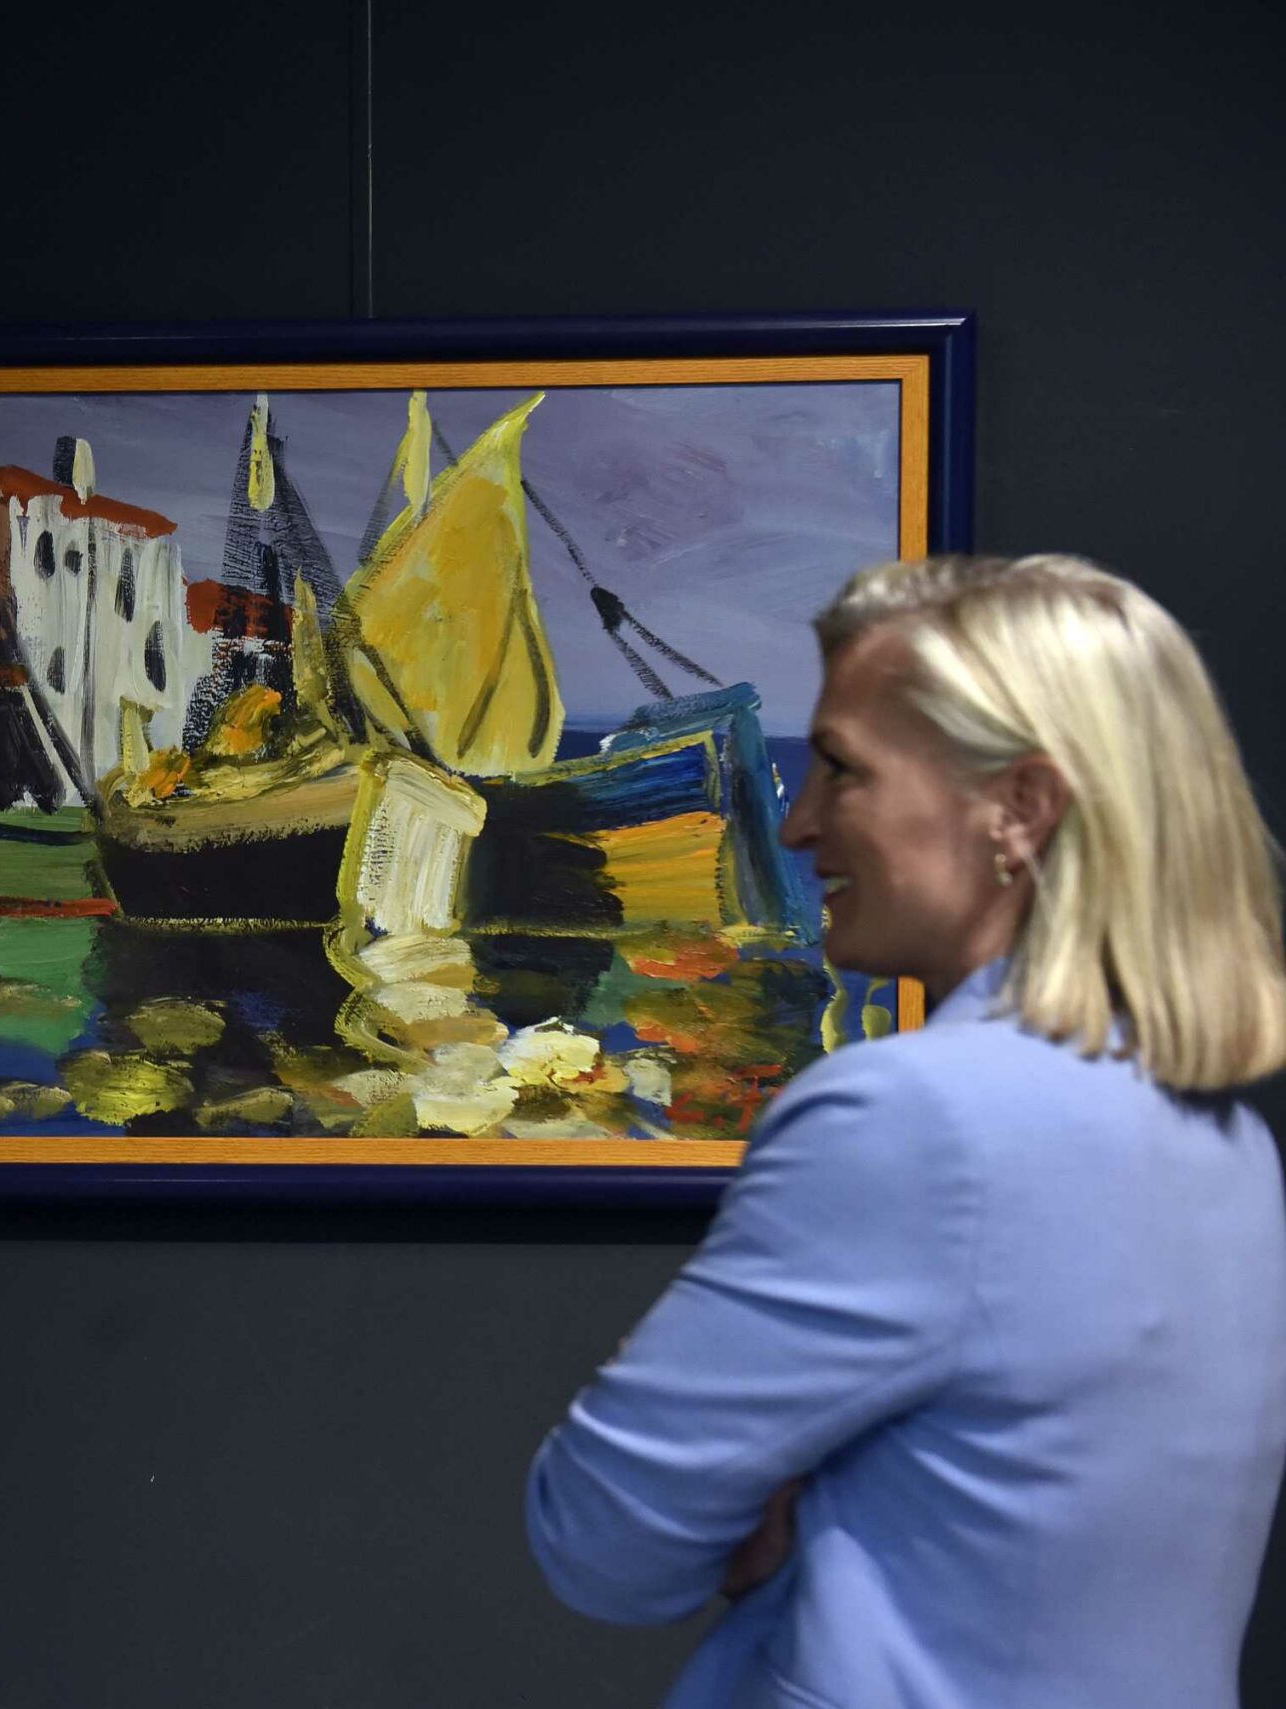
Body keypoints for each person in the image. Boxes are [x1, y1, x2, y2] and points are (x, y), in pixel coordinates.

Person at [524, 554, 1286, 1708]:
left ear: (1018, 808)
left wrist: (773, 1476)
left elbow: (598, 1537)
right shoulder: (1223, 1140)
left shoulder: (911, 1116)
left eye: (841, 768)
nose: (797, 821)